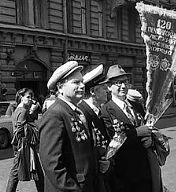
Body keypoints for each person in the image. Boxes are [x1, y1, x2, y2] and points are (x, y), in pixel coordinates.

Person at [39, 61, 99, 192]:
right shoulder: (55, 114)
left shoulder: (74, 111)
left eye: (82, 82)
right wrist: (72, 189)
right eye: (76, 82)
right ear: (60, 87)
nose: (82, 86)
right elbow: (51, 163)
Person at [101, 64, 162, 192]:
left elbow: (147, 126)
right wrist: (139, 132)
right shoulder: (106, 111)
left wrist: (151, 137)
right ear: (108, 87)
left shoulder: (136, 106)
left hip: (145, 169)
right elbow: (114, 141)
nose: (123, 86)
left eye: (125, 82)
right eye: (118, 83)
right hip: (124, 173)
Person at [78, 64, 111, 192]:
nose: (107, 90)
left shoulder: (98, 111)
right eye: (103, 87)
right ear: (92, 91)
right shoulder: (82, 113)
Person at [6, 88, 44, 192]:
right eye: (28, 97)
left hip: (21, 144)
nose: (30, 99)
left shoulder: (18, 109)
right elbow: (20, 128)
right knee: (16, 172)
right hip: (24, 145)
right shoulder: (22, 110)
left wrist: (31, 111)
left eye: (31, 97)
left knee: (33, 170)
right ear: (21, 98)